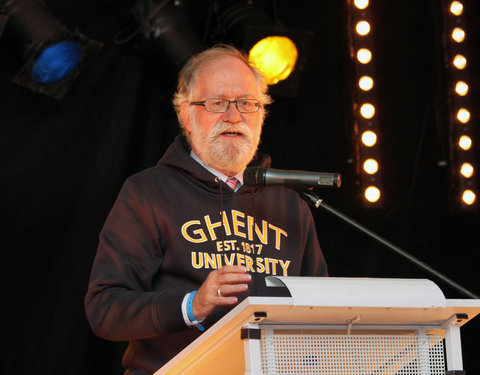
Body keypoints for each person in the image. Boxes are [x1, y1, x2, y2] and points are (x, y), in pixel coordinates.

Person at [84, 44, 328, 375]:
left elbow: (323, 314)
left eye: (247, 103)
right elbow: (105, 308)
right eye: (217, 103)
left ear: (262, 114)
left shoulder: (290, 204)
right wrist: (191, 305)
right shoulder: (148, 193)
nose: (234, 115)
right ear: (186, 114)